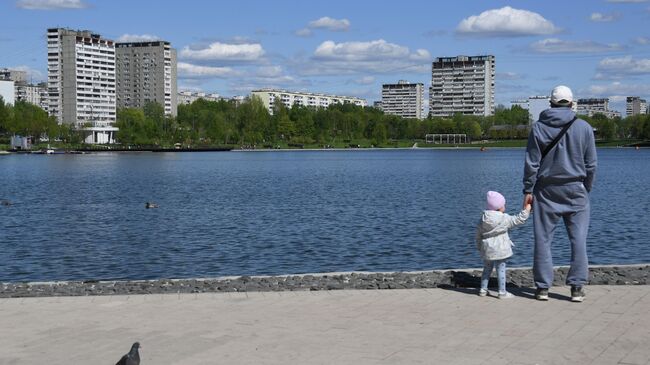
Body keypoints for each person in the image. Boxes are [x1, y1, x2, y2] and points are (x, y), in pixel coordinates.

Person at [523, 85, 597, 302]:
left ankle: (543, 288)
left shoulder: (538, 128)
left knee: (543, 239)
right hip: (576, 189)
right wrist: (586, 187)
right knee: (579, 240)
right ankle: (576, 288)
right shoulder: (584, 127)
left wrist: (528, 189)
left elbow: (531, 163)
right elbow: (591, 165)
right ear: (572, 103)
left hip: (546, 190)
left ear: (551, 104)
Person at [476, 191, 531, 299]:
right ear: (499, 207)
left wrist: (479, 247)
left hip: (487, 249)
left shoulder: (483, 219)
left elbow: (478, 235)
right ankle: (502, 292)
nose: (504, 206)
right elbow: (518, 219)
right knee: (500, 269)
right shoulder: (504, 218)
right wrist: (527, 210)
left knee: (487, 269)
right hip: (500, 249)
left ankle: (483, 290)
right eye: (503, 205)